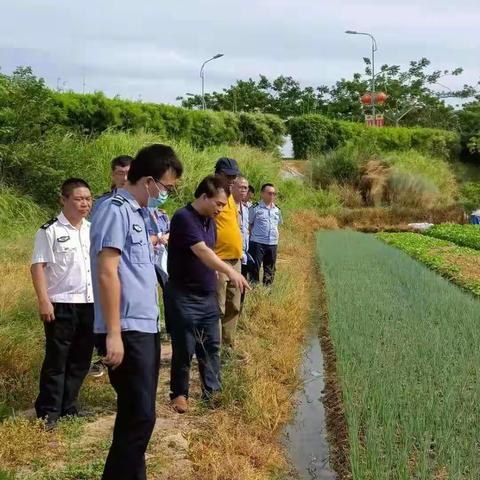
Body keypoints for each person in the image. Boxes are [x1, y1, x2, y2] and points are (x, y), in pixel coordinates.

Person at [90, 144, 183, 480]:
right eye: (166, 187)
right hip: (126, 328)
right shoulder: (114, 210)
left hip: (143, 326)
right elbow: (107, 272)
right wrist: (113, 333)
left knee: (138, 415)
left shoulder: (141, 214)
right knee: (140, 414)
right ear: (147, 181)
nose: (167, 193)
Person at [165, 176, 249, 414]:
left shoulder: (209, 221)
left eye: (224, 205)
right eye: (219, 204)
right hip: (184, 295)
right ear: (204, 197)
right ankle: (179, 394)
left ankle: (212, 391)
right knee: (185, 346)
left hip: (206, 294)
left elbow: (210, 252)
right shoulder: (184, 218)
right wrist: (231, 272)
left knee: (211, 345)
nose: (221, 209)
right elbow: (202, 251)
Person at [31, 178, 94, 429]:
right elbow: (38, 266)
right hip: (61, 304)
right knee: (57, 360)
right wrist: (43, 301)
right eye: (79, 199)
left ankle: (69, 407)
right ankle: (48, 412)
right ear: (64, 200)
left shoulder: (92, 229)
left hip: (88, 303)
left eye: (88, 199)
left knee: (81, 359)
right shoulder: (50, 231)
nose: (85, 203)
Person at [213, 158, 244, 349]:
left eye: (235, 175)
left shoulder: (231, 196)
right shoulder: (211, 194)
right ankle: (213, 349)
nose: (233, 179)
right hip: (218, 261)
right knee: (218, 307)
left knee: (235, 305)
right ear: (218, 174)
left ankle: (228, 346)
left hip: (235, 261)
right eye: (229, 175)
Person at [248, 183, 283, 286]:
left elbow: (278, 225)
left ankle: (267, 292)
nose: (272, 196)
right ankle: (254, 290)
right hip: (257, 243)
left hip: (272, 244)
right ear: (262, 194)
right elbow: (249, 225)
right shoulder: (255, 208)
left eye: (274, 193)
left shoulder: (277, 210)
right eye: (269, 193)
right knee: (254, 268)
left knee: (270, 269)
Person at [232, 176, 252, 282]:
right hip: (230, 254)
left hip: (243, 254)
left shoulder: (245, 208)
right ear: (233, 187)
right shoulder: (225, 206)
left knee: (240, 289)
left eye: (246, 188)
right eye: (241, 187)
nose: (243, 190)